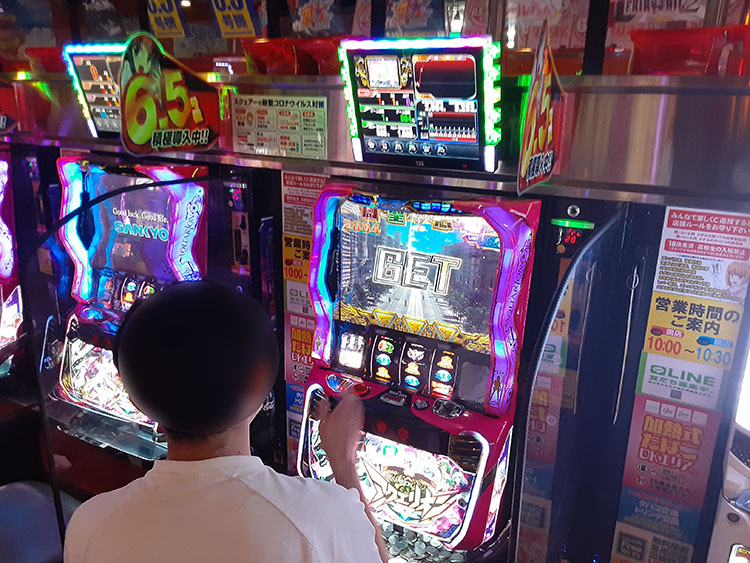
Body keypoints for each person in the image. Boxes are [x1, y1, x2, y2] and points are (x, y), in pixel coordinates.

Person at [64, 281, 387, 563]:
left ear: (133, 397)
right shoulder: (322, 516)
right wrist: (343, 463)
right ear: (258, 381)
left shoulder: (91, 524)